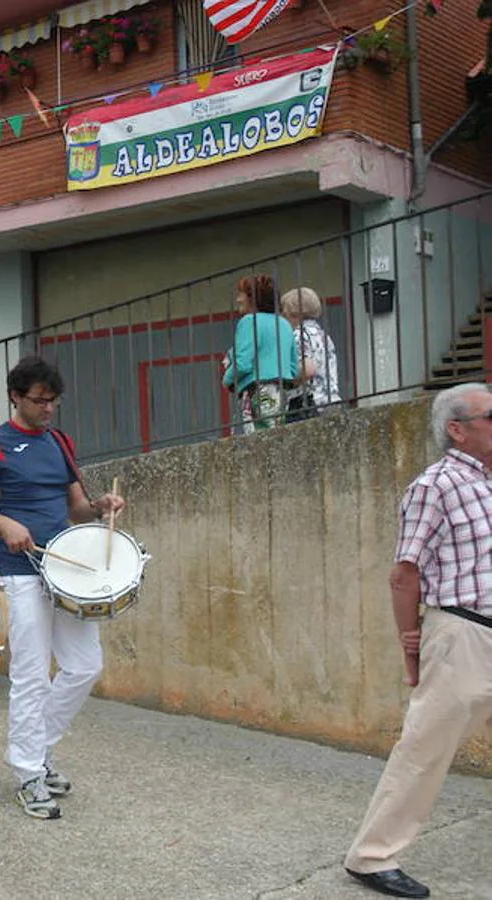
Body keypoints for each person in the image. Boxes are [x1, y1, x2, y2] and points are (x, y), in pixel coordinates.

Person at [342, 383, 492, 899]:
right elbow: (404, 574)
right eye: (491, 415)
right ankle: (372, 857)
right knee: (424, 750)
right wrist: (412, 648)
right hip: (461, 632)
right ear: (458, 429)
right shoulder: (435, 486)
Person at [0, 356, 124, 820]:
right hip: (17, 569)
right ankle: (29, 773)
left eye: (53, 401)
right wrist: (2, 521)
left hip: (64, 568)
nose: (48, 408)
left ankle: (36, 750)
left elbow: (76, 508)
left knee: (84, 667)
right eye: (39, 401)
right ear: (16, 396)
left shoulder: (59, 441)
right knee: (31, 674)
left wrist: (101, 505)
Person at [221, 274, 299, 433]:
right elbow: (294, 368)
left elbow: (242, 364)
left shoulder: (249, 321)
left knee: (258, 440)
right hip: (282, 392)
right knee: (276, 437)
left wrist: (227, 380)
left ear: (252, 298)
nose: (238, 299)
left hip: (257, 390)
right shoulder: (284, 324)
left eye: (241, 294)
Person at [279, 286, 342, 421]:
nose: (283, 318)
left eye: (285, 314)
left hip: (308, 404)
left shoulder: (298, 335)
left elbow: (308, 369)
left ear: (295, 312)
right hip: (331, 400)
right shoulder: (324, 336)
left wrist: (286, 380)